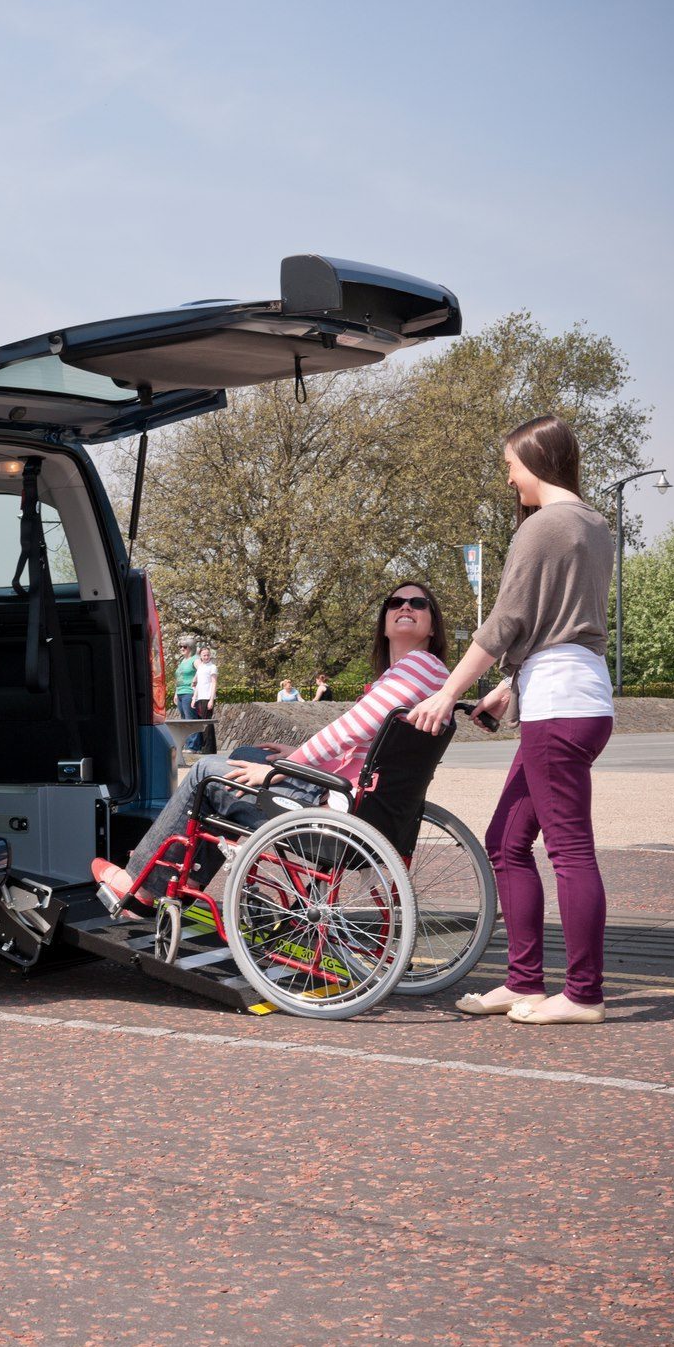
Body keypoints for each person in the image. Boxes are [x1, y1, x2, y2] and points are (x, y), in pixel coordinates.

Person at [405, 416, 615, 1026]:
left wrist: (446, 693)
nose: (509, 478)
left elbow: (505, 625)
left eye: (511, 466)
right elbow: (562, 627)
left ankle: (582, 995)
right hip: (576, 696)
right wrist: (509, 688)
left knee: (570, 850)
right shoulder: (595, 526)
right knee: (506, 842)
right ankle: (524, 983)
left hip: (558, 707)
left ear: (537, 460)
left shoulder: (542, 527)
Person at [94, 583, 450, 915]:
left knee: (206, 775)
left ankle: (140, 883)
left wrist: (284, 768)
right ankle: (186, 880)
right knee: (249, 755)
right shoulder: (419, 674)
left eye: (417, 604)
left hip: (341, 811)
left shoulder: (418, 667)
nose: (405, 606)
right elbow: (366, 745)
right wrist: (292, 752)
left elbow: (351, 729)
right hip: (356, 801)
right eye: (396, 603)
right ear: (384, 624)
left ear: (432, 627)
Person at [187, 646, 219, 753]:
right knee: (202, 722)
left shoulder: (213, 667)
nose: (206, 657)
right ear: (200, 656)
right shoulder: (200, 668)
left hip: (207, 697)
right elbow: (198, 684)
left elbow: (214, 683)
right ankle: (204, 747)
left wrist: (211, 700)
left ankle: (209, 749)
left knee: (207, 722)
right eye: (204, 655)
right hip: (200, 697)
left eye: (208, 655)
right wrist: (194, 698)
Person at [173, 640, 197, 720]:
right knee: (184, 721)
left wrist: (195, 678)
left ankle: (195, 733)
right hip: (180, 693)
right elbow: (179, 678)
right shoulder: (182, 661)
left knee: (190, 721)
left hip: (189, 693)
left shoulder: (195, 659)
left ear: (191, 647)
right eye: (180, 647)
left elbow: (202, 670)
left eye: (185, 647)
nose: (182, 649)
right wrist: (176, 693)